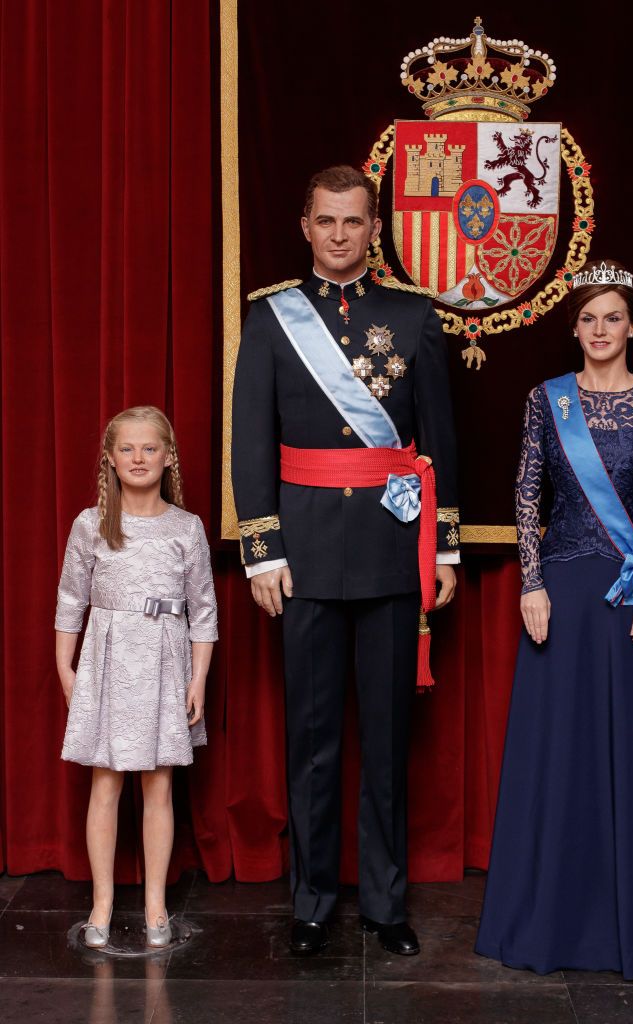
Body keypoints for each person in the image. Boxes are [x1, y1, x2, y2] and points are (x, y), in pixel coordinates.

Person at [231, 165, 459, 957]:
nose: (338, 236)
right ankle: (314, 901)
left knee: (390, 740)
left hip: (395, 553)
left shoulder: (416, 316)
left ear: (374, 228)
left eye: (353, 223)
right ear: (305, 224)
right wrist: (262, 550)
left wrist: (446, 547)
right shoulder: (269, 320)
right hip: (306, 557)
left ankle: (387, 905)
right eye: (325, 221)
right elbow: (251, 439)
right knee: (315, 737)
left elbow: (440, 442)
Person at [475, 259, 633, 979]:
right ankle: (544, 918)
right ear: (575, 327)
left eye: (612, 317)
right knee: (556, 749)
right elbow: (526, 494)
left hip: (625, 597)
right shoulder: (547, 400)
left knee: (615, 752)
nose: (601, 330)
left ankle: (615, 922)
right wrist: (531, 585)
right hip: (559, 591)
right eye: (588, 318)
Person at [55, 405, 218, 949]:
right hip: (107, 661)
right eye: (127, 448)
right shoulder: (90, 524)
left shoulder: (186, 528)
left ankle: (155, 906)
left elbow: (204, 610)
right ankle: (101, 905)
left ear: (168, 457)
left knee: (159, 784)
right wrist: (64, 666)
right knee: (105, 782)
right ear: (110, 460)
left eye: (150, 448)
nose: (139, 457)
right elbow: (70, 600)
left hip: (165, 660)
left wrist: (198, 680)